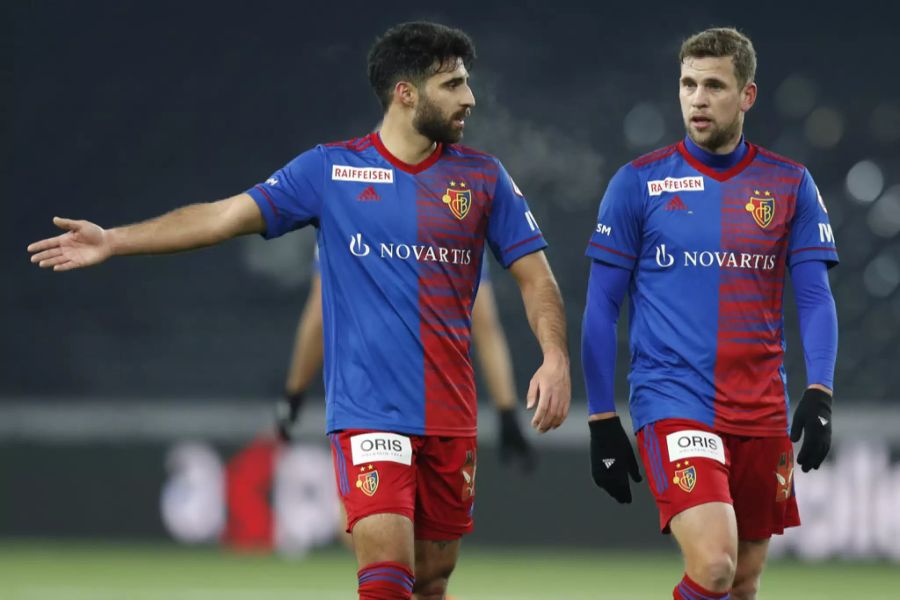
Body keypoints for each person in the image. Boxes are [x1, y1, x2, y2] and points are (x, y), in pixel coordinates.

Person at [28, 21, 570, 600]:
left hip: (449, 416)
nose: (470, 98)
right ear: (405, 93)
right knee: (386, 581)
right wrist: (115, 239)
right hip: (369, 412)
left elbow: (536, 278)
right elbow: (221, 216)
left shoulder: (484, 179)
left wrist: (555, 355)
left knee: (432, 580)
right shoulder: (330, 170)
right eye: (453, 84)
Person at [581, 28, 838, 600]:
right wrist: (601, 418)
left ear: (747, 96)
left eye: (714, 86)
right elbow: (602, 305)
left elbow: (816, 297)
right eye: (688, 84)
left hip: (761, 404)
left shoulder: (789, 184)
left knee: (743, 584)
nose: (697, 98)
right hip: (674, 397)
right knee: (716, 566)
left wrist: (819, 391)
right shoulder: (637, 184)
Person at [276, 250, 537, 475]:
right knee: (412, 526)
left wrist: (294, 394)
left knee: (373, 519)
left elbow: (320, 313)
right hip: (436, 399)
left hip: (369, 396)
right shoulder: (453, 212)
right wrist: (506, 411)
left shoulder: (346, 202)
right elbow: (484, 326)